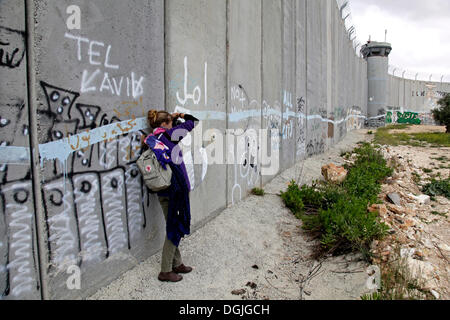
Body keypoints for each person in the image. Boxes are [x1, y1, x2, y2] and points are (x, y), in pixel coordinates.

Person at [143, 110, 199, 282]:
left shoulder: (152, 140)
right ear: (165, 124)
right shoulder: (170, 135)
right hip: (175, 192)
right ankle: (165, 270)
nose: (174, 125)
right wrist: (179, 115)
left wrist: (170, 119)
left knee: (173, 225)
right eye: (171, 123)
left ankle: (177, 263)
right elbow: (193, 122)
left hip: (163, 191)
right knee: (174, 229)